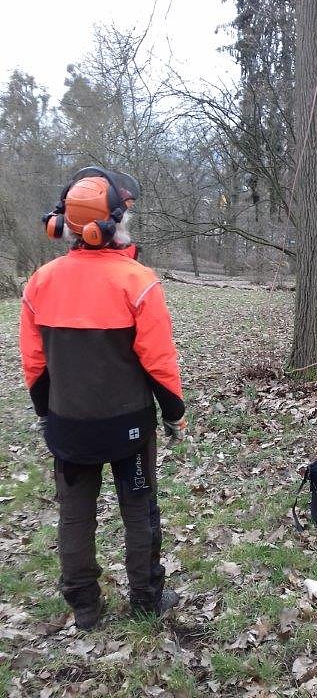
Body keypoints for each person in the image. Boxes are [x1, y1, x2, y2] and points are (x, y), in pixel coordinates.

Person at [19, 166, 187, 630]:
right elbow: (159, 361)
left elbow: (34, 362)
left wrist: (45, 413)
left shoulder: (40, 281)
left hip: (67, 422)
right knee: (138, 508)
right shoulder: (138, 281)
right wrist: (174, 413)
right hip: (128, 427)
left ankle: (85, 607)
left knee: (74, 515)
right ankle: (147, 596)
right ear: (109, 223)